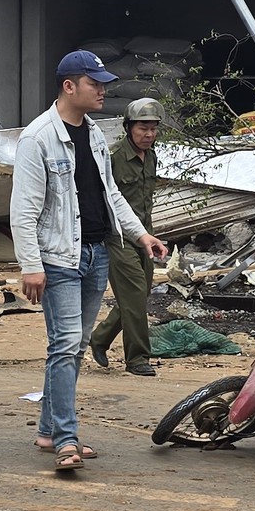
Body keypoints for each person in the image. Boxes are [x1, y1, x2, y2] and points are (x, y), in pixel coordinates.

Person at [9, 50, 167, 474]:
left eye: (103, 83)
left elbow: (111, 194)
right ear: (69, 86)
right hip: (58, 258)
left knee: (73, 347)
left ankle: (47, 431)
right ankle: (66, 438)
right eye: (94, 83)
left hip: (97, 253)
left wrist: (141, 234)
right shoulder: (38, 138)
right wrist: (30, 264)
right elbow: (23, 209)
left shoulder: (96, 134)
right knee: (63, 346)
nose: (102, 90)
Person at [86, 96, 165, 377]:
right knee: (133, 296)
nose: (149, 134)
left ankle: (100, 338)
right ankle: (138, 359)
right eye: (143, 128)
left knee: (138, 295)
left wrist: (149, 236)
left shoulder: (152, 156)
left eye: (154, 128)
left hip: (144, 234)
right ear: (129, 127)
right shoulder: (115, 157)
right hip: (117, 237)